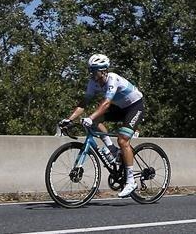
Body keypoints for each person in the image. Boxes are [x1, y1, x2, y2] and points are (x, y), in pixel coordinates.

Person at [61, 54, 145, 198]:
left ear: (104, 70)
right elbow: (83, 103)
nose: (92, 74)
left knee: (123, 140)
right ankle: (112, 149)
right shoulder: (92, 83)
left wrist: (90, 117)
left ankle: (131, 181)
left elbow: (106, 104)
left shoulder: (112, 78)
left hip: (134, 106)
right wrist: (69, 119)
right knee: (94, 122)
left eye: (95, 71)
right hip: (119, 107)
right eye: (91, 70)